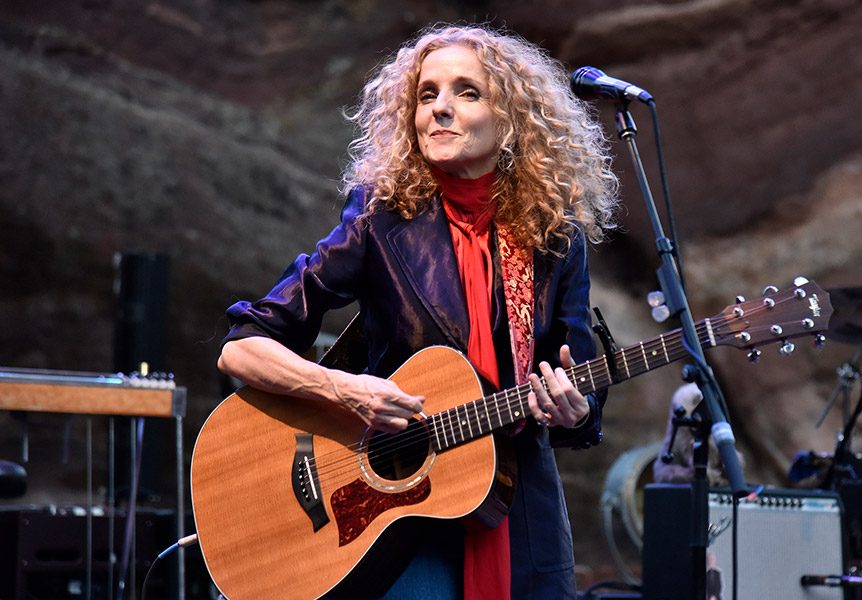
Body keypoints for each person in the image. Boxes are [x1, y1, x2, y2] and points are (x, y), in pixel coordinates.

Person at [217, 24, 619, 600]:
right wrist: (343, 390)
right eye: (427, 95)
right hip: (398, 519)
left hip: (518, 506)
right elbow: (243, 346)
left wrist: (575, 409)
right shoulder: (378, 220)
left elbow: (576, 378)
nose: (441, 110)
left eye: (467, 93)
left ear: (511, 123)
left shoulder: (556, 238)